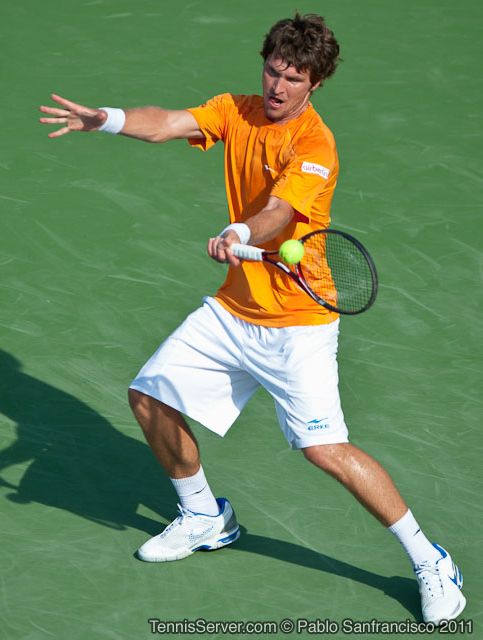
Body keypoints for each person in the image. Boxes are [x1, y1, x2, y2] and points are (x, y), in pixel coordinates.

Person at [39, 12, 465, 625]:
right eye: (273, 70)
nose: (278, 86)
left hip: (297, 321)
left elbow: (279, 210)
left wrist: (241, 228)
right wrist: (103, 119)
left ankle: (430, 559)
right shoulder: (235, 110)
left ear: (315, 84)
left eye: (294, 78)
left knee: (326, 450)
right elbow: (167, 124)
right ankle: (205, 517)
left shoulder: (315, 145)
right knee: (148, 397)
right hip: (235, 308)